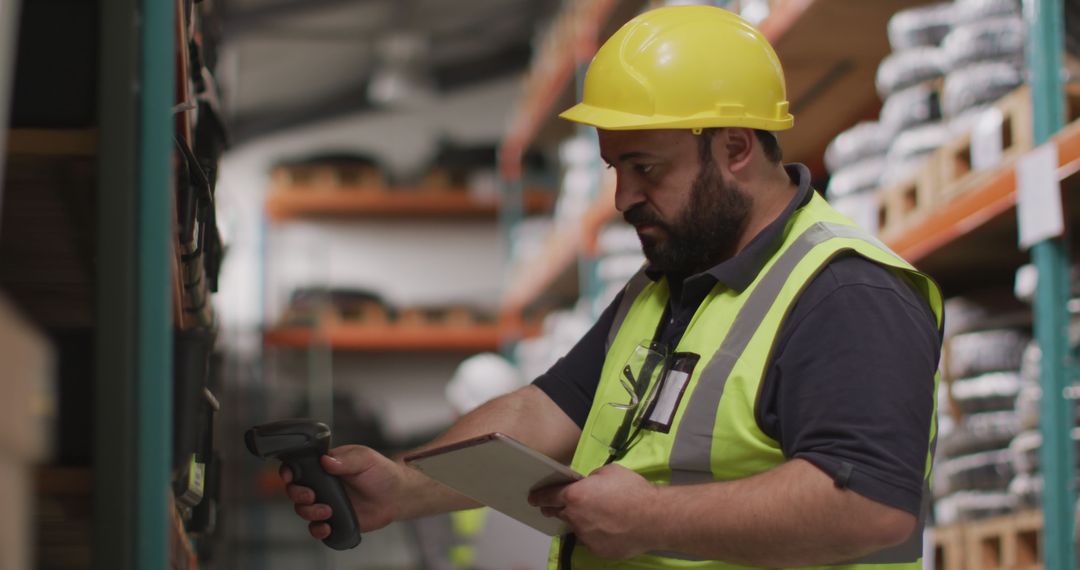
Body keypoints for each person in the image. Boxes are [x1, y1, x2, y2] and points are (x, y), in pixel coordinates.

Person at [281, 6, 943, 569]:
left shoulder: (845, 293)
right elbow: (543, 413)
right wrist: (402, 485)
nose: (624, 196)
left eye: (645, 166)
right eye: (613, 167)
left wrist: (654, 518)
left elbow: (869, 505)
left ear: (736, 147)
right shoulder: (669, 284)